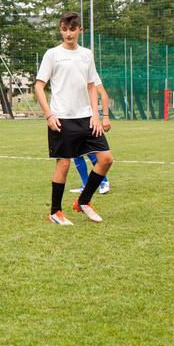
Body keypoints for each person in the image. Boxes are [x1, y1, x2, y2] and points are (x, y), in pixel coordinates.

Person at [33, 12, 115, 225]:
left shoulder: (86, 54)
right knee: (64, 164)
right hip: (62, 118)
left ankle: (83, 202)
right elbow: (39, 86)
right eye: (64, 29)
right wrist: (49, 114)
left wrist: (96, 116)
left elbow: (91, 86)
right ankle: (55, 212)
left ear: (80, 30)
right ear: (60, 30)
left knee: (106, 159)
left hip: (86, 118)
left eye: (72, 29)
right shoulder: (52, 54)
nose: (68, 33)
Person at [72, 84, 112, 195]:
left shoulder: (90, 74)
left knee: (92, 151)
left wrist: (105, 116)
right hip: (72, 118)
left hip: (88, 118)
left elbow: (103, 94)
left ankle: (103, 182)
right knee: (76, 153)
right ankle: (85, 184)